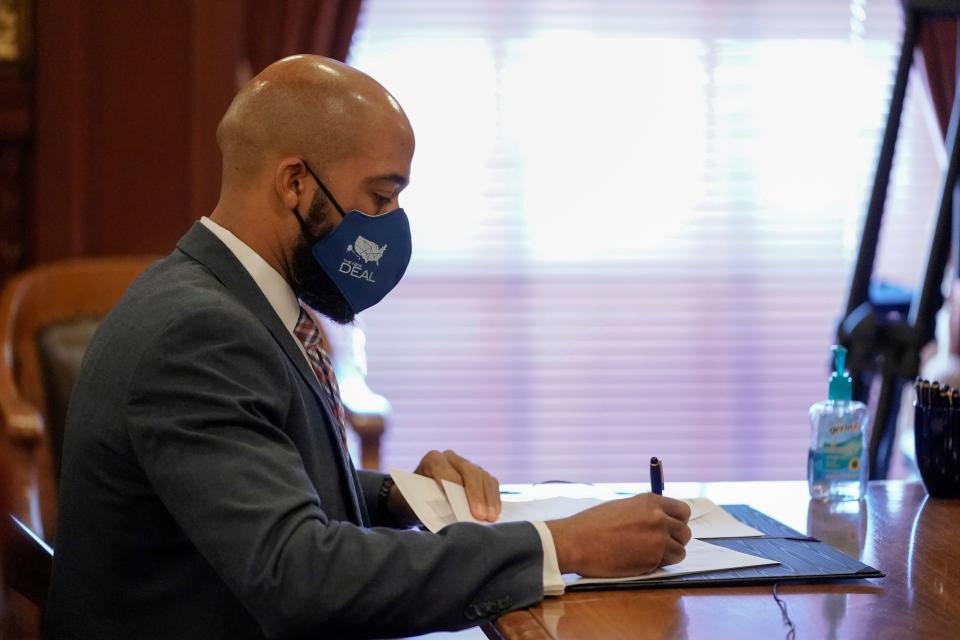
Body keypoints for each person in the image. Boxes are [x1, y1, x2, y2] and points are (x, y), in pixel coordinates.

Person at [44, 55, 692, 639]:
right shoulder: (199, 333)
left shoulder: (225, 295)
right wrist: (561, 544)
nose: (389, 228)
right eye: (380, 197)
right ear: (294, 183)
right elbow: (300, 580)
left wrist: (395, 497)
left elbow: (251, 474)